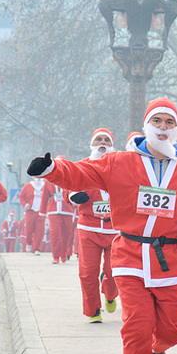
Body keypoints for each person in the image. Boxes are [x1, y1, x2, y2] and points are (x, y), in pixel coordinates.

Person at [26, 97, 177, 354]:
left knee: (172, 329)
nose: (162, 128)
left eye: (169, 123)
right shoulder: (121, 162)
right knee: (136, 329)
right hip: (130, 257)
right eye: (157, 121)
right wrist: (52, 169)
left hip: (172, 259)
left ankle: (158, 350)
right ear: (147, 126)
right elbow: (83, 172)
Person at [69, 128, 120, 323]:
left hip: (115, 229)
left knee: (113, 270)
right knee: (87, 272)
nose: (103, 143)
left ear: (112, 144)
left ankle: (109, 294)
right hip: (89, 228)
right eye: (99, 139)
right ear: (92, 144)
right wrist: (73, 196)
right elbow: (69, 184)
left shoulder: (120, 165)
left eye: (107, 140)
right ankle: (93, 311)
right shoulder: (83, 166)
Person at [40, 158, 76, 264]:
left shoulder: (70, 178)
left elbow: (75, 191)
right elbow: (44, 196)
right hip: (53, 209)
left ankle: (63, 253)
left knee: (66, 233)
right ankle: (56, 256)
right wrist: (42, 212)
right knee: (55, 233)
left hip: (67, 209)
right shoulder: (48, 180)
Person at [19, 178, 46, 255]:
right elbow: (21, 197)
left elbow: (49, 197)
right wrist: (25, 204)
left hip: (41, 212)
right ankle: (29, 242)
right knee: (29, 229)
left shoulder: (45, 186)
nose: (38, 178)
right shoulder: (28, 186)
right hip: (30, 211)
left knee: (39, 231)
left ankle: (36, 248)